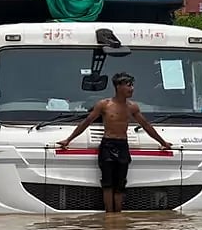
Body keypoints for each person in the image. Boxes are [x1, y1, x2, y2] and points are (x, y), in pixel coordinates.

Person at [56, 72, 173, 213]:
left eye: (132, 85)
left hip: (122, 145)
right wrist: (68, 139)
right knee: (107, 184)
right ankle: (109, 215)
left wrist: (163, 142)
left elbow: (146, 126)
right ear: (118, 86)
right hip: (107, 145)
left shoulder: (132, 107)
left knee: (120, 184)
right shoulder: (104, 105)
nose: (132, 89)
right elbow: (86, 122)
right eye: (128, 85)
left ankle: (118, 215)